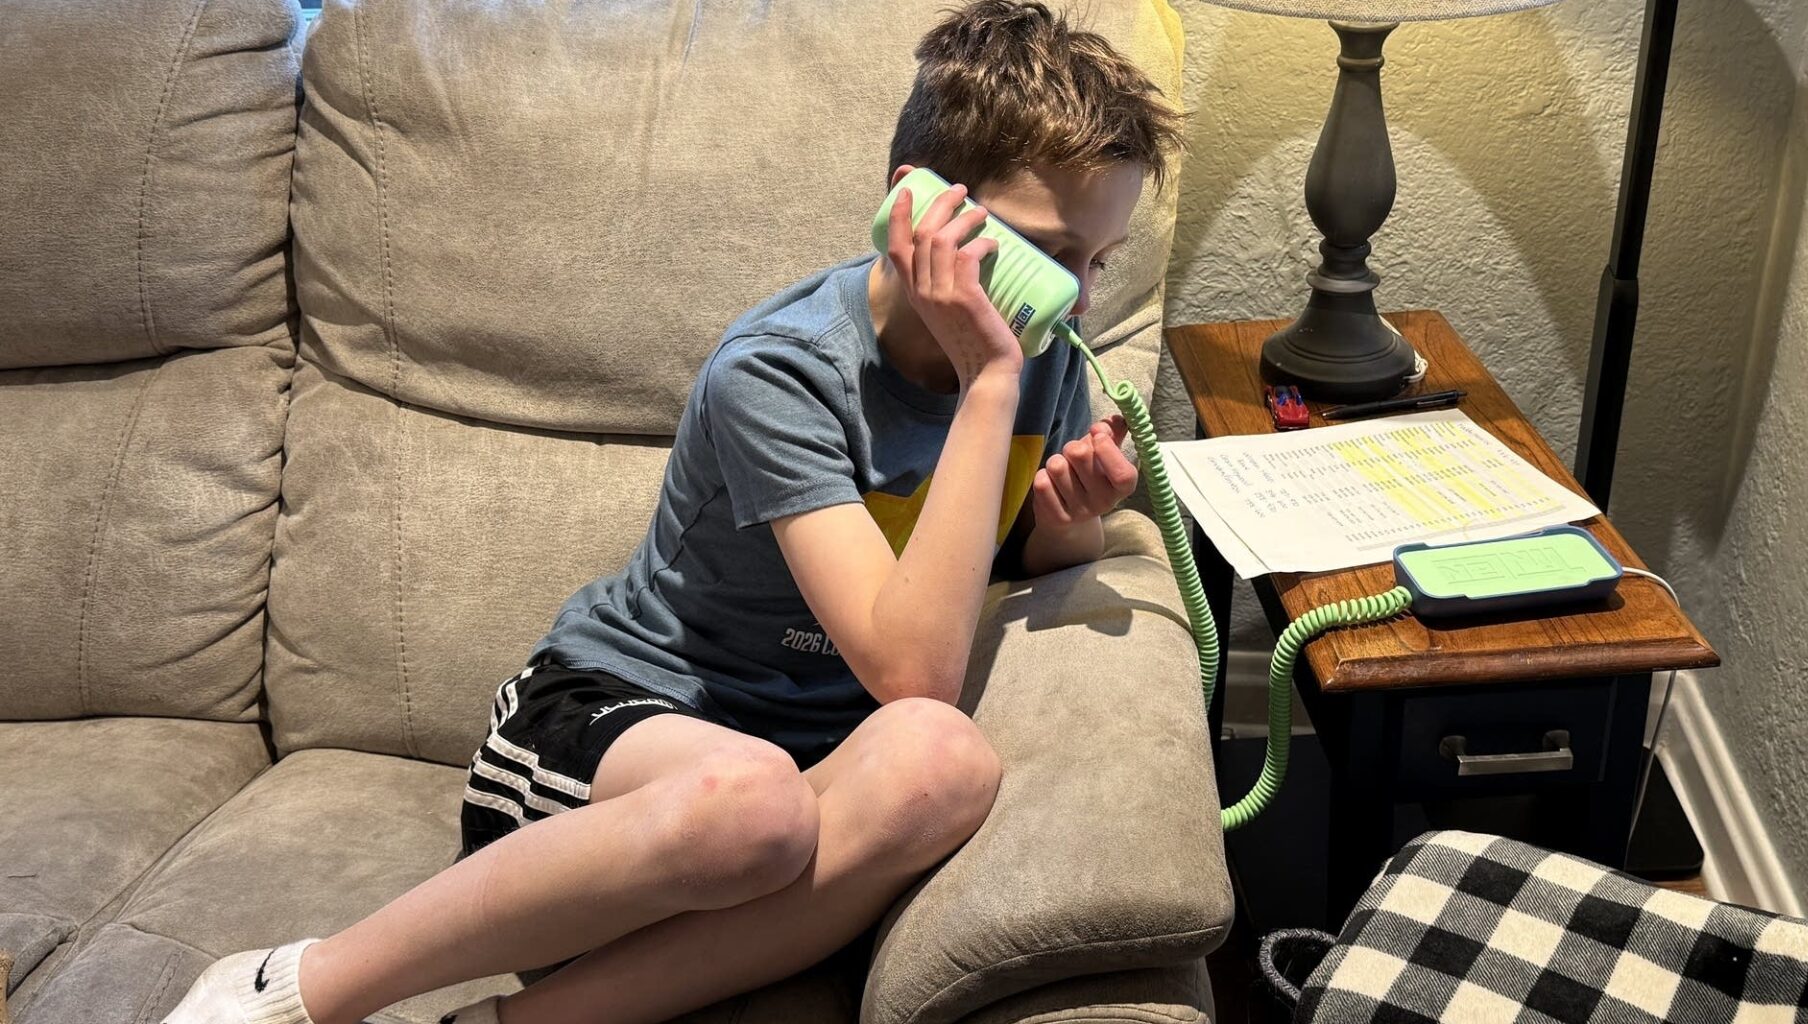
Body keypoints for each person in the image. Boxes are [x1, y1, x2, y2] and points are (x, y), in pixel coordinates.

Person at [165, 2, 1181, 1021]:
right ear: (916, 209)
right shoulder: (783, 373)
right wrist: (990, 386)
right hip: (613, 730)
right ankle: (299, 984)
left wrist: (1072, 518)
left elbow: (994, 583)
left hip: (801, 773)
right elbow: (914, 667)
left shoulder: (1035, 355)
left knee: (943, 763)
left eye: (1100, 261)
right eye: (1051, 256)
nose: (1078, 303)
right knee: (755, 808)